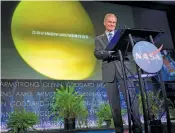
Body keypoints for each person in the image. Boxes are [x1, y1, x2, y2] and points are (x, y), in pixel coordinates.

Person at [94, 13, 142, 133]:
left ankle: (137, 128)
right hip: (109, 72)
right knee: (114, 104)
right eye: (110, 22)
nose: (112, 24)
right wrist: (109, 53)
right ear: (105, 23)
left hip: (124, 70)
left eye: (114, 22)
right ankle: (119, 130)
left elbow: (129, 49)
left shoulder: (122, 36)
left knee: (132, 100)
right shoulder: (98, 39)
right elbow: (97, 54)